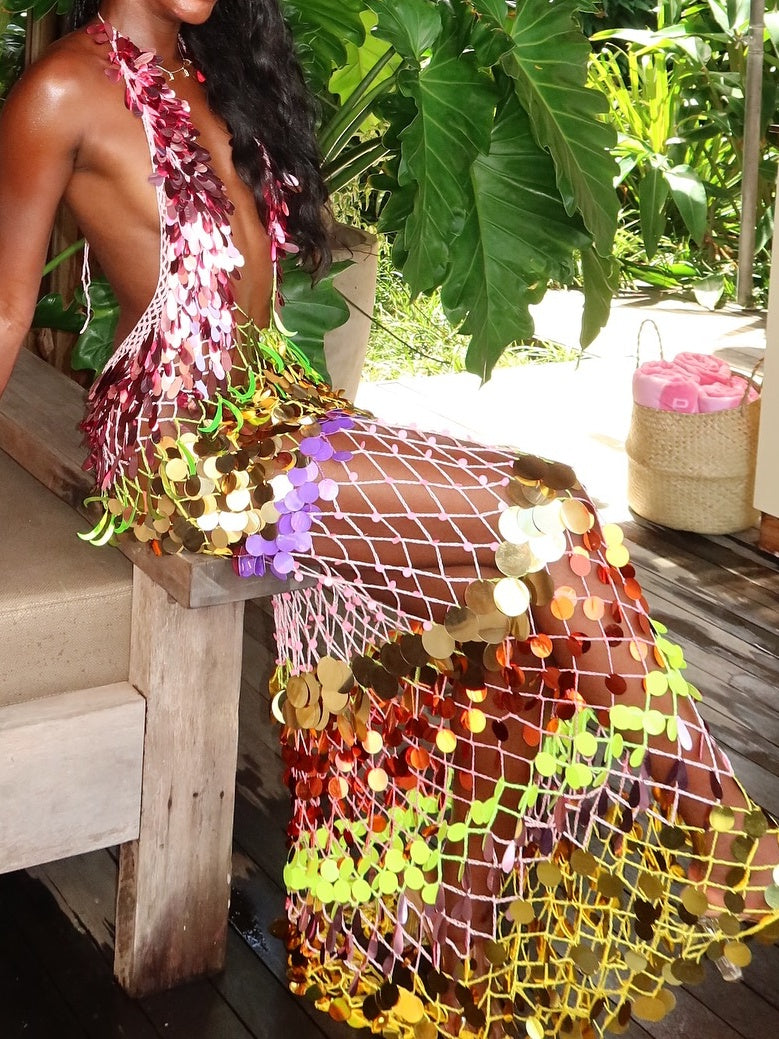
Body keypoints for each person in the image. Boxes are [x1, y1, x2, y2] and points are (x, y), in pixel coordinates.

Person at [1, 2, 777, 1035]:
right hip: (184, 449)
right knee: (544, 518)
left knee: (520, 555)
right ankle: (707, 839)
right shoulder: (61, 88)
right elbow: (6, 308)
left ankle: (443, 925)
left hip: (279, 411)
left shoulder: (208, 64)